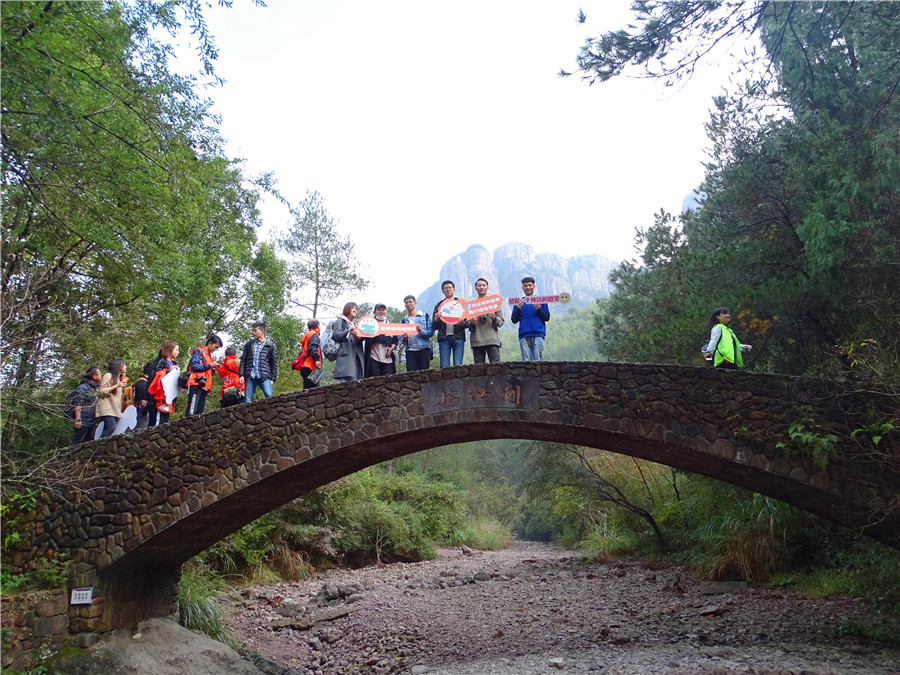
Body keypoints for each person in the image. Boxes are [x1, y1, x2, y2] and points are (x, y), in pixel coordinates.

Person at [510, 276, 550, 362]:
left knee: (539, 361)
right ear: (522, 288)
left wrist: (539, 309)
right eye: (525, 286)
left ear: (534, 286)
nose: (528, 287)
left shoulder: (541, 301)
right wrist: (518, 309)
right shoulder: (519, 303)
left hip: (538, 334)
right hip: (524, 335)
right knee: (526, 362)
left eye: (530, 285)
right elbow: (514, 320)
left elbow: (546, 318)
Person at [466, 277, 504, 364]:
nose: (481, 287)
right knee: (479, 369)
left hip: (492, 340)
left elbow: (501, 321)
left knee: (496, 367)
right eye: (479, 285)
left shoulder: (494, 303)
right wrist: (472, 323)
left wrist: (494, 318)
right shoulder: (471, 306)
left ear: (487, 287)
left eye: (484, 285)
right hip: (477, 340)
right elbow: (467, 324)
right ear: (475, 288)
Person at [185, 335, 223, 416]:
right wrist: (210, 365)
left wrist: (213, 369)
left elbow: (206, 370)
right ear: (210, 343)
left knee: (199, 413)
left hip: (205, 385)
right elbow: (194, 366)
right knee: (191, 412)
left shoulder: (209, 356)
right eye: (215, 347)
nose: (215, 349)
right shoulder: (199, 351)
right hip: (196, 383)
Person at [241, 321, 278, 402]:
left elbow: (273, 363)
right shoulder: (249, 344)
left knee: (269, 395)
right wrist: (241, 375)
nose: (253, 333)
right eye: (252, 331)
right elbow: (243, 360)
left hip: (264, 376)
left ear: (262, 331)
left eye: (255, 331)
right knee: (247, 400)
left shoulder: (270, 345)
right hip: (250, 375)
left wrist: (273, 378)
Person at [432, 280, 466, 367]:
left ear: (454, 289)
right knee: (444, 365)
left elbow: (467, 322)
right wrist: (435, 319)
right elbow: (434, 326)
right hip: (444, 338)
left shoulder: (461, 304)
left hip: (458, 336)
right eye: (445, 288)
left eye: (450, 287)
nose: (448, 289)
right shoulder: (439, 305)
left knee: (458, 365)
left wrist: (463, 323)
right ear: (443, 291)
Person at [147, 341, 180, 425]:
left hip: (168, 399)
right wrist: (168, 371)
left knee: (164, 422)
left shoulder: (174, 364)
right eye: (176, 350)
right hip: (158, 399)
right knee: (156, 422)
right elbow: (155, 378)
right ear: (170, 350)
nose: (178, 352)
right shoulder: (160, 363)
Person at [332, 302, 365, 382]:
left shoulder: (357, 324)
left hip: (357, 356)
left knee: (357, 382)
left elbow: (360, 338)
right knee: (346, 383)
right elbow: (336, 335)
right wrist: (348, 331)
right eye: (353, 308)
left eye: (356, 309)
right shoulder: (340, 321)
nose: (355, 311)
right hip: (346, 357)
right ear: (347, 309)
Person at [400, 295, 434, 372]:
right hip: (410, 351)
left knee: (424, 374)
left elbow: (431, 332)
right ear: (405, 305)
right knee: (411, 375)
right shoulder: (403, 321)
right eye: (406, 302)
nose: (409, 304)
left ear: (415, 303)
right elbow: (401, 339)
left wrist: (421, 331)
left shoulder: (425, 316)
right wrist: (404, 338)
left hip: (424, 349)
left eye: (410, 302)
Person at [68, 366, 101, 445]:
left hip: (92, 419)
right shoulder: (83, 387)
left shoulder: (96, 388)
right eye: (99, 373)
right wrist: (77, 419)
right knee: (78, 441)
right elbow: (77, 403)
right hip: (83, 419)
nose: (101, 375)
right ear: (94, 376)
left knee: (88, 442)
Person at [95, 359, 127, 438]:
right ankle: (100, 444)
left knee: (108, 428)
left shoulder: (119, 378)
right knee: (111, 427)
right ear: (119, 366)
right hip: (107, 407)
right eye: (124, 365)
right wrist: (117, 386)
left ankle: (101, 444)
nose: (125, 366)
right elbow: (101, 391)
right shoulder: (108, 376)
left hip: (114, 408)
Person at [364, 304, 398, 377]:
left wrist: (392, 348)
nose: (381, 312)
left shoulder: (390, 325)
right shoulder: (369, 324)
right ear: (374, 312)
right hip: (373, 357)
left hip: (387, 359)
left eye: (383, 310)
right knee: (374, 380)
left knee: (389, 379)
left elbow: (395, 340)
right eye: (379, 310)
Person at [298, 319, 323, 389]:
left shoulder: (308, 335)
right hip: (310, 366)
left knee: (308, 389)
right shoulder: (314, 335)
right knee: (314, 391)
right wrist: (317, 360)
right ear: (318, 326)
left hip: (305, 366)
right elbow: (312, 348)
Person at [132, 363, 154, 429]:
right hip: (141, 410)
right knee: (141, 426)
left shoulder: (143, 381)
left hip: (141, 409)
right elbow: (143, 396)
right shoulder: (142, 382)